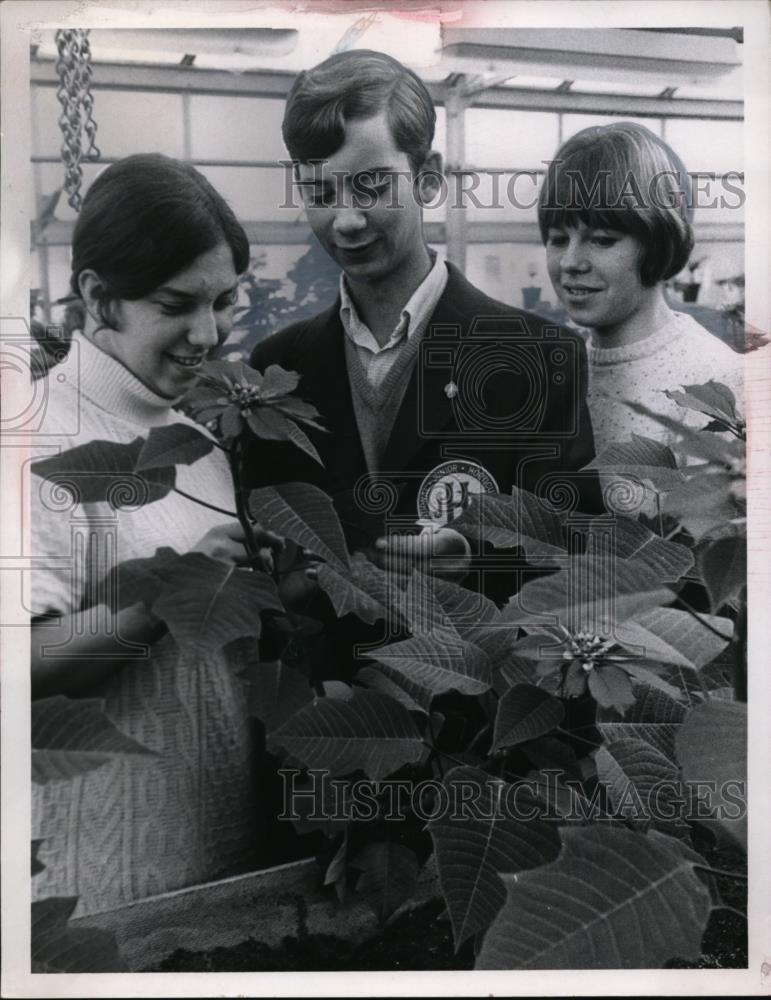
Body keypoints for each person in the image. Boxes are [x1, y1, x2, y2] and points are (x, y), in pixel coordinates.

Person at [247, 50, 599, 598]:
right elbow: (264, 550)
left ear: (428, 178)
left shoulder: (537, 357)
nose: (345, 219)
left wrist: (474, 559)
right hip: (323, 683)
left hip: (473, 669)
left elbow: (574, 549)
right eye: (320, 193)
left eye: (371, 187)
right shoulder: (277, 367)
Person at [30, 154, 283, 914]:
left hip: (218, 849)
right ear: (99, 297)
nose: (207, 333)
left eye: (225, 302)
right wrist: (158, 601)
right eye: (177, 305)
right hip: (104, 881)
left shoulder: (195, 441)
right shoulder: (41, 436)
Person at [538, 122, 745, 456]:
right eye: (558, 239)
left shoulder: (716, 382)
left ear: (659, 244)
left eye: (602, 240)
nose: (570, 262)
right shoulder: (550, 373)